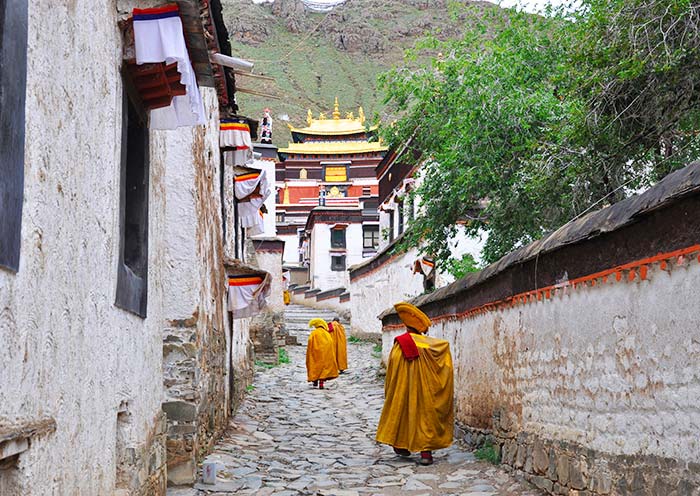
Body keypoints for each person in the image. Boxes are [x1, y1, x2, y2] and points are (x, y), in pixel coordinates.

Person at [375, 302, 454, 466]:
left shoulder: (399, 345)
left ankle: (401, 446)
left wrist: (391, 388)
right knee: (425, 417)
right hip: (424, 391)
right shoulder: (429, 344)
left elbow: (392, 372)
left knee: (402, 412)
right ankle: (426, 453)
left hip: (402, 390)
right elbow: (444, 349)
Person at [306, 318, 339, 389]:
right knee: (324, 369)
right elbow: (330, 343)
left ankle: (314, 381)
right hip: (325, 354)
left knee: (314, 366)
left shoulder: (314, 333)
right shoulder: (326, 334)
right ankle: (321, 383)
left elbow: (310, 342)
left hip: (315, 354)